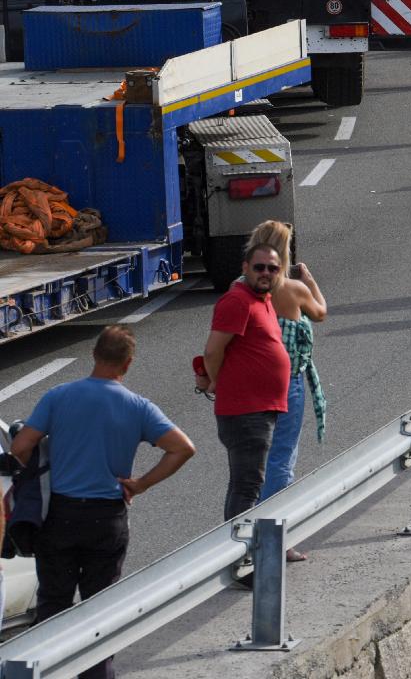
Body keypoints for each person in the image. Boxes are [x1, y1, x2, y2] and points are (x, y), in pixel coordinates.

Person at [8, 326, 194, 679]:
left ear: (94, 355)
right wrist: (139, 485)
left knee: (54, 603)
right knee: (99, 608)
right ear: (128, 363)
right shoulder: (138, 407)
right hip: (107, 519)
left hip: (59, 516)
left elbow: (20, 447)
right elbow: (183, 448)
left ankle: (50, 670)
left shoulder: (58, 396)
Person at [248, 221, 328, 558]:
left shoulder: (241, 286)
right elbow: (321, 312)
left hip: (250, 382)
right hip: (287, 382)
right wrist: (308, 279)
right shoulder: (293, 289)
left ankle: (248, 534)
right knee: (281, 460)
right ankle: (274, 538)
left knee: (253, 464)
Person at [198, 242, 290, 523]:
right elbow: (213, 351)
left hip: (259, 409)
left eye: (272, 268)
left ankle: (241, 552)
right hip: (246, 411)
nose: (266, 273)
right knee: (247, 486)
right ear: (245, 268)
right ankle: (240, 555)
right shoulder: (237, 301)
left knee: (246, 484)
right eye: (259, 267)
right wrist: (217, 381)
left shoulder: (262, 300)